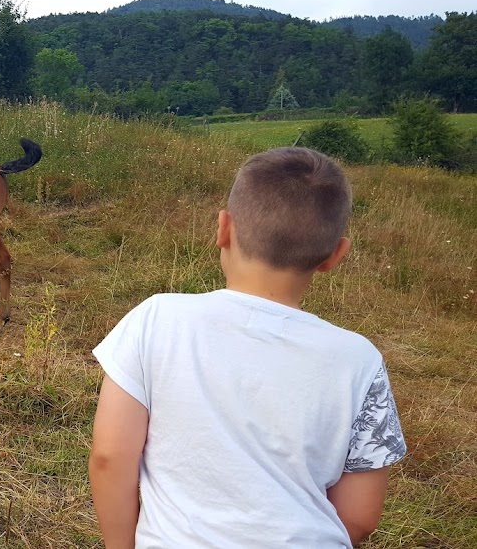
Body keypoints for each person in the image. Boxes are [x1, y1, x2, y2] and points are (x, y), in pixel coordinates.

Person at [88, 147, 406, 548]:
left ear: (223, 228)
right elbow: (360, 517)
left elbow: (109, 458)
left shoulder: (157, 319)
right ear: (335, 256)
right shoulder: (361, 361)